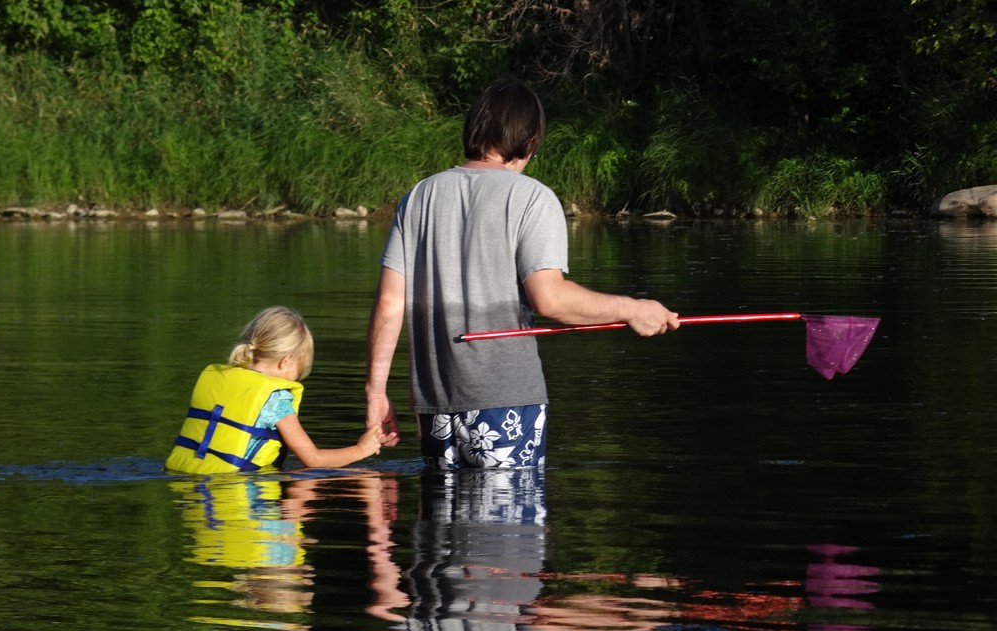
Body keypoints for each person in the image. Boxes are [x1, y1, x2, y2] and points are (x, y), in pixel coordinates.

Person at [365, 78, 679, 468]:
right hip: (506, 403)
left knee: (443, 508)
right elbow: (551, 299)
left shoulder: (418, 197)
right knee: (510, 507)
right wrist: (633, 309)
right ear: (530, 141)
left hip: (434, 406)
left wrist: (375, 392)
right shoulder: (532, 197)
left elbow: (390, 303)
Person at [167, 305, 389, 474]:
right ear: (286, 361)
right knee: (303, 498)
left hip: (189, 482)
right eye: (299, 370)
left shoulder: (221, 378)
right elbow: (313, 459)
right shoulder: (276, 400)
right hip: (241, 495)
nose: (297, 378)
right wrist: (361, 450)